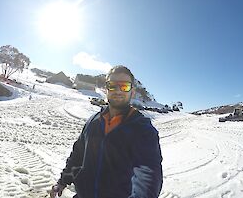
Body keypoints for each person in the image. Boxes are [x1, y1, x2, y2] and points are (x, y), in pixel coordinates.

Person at [50, 65, 163, 198]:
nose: (118, 91)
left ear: (132, 92)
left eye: (124, 86)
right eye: (112, 85)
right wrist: (63, 181)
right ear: (106, 89)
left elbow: (148, 174)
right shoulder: (93, 122)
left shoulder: (142, 129)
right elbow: (78, 156)